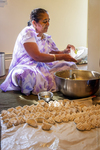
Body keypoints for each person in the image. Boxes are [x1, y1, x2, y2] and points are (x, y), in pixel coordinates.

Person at [0, 8, 77, 96]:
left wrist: (65, 51)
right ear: (34, 23)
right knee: (26, 74)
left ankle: (53, 83)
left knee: (70, 67)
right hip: (26, 66)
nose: (48, 24)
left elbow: (54, 53)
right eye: (44, 21)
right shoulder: (28, 33)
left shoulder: (46, 37)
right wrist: (63, 57)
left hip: (44, 66)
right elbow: (37, 56)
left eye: (48, 21)